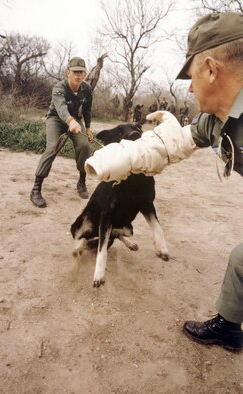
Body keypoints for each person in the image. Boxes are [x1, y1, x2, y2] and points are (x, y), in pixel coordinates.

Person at [85, 12, 243, 351]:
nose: (189, 87)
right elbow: (170, 146)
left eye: (192, 75)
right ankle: (229, 327)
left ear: (212, 69)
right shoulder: (216, 120)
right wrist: (125, 157)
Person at [30, 57, 94, 206]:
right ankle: (36, 189)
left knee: (84, 145)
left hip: (74, 120)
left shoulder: (87, 89)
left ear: (84, 74)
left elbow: (87, 109)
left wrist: (88, 128)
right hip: (56, 119)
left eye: (81, 72)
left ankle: (81, 182)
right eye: (75, 72)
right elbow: (61, 108)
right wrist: (70, 121)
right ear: (67, 72)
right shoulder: (59, 87)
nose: (78, 75)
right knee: (53, 147)